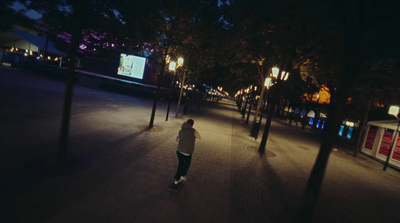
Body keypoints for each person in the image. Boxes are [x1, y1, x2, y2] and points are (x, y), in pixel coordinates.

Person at [169, 119, 201, 191]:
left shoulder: (180, 130)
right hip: (188, 152)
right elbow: (199, 137)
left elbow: (177, 138)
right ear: (192, 125)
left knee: (181, 164)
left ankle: (180, 177)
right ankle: (179, 178)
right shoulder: (194, 131)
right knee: (187, 163)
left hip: (179, 151)